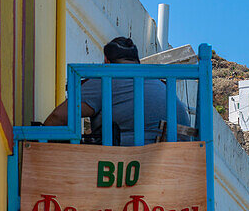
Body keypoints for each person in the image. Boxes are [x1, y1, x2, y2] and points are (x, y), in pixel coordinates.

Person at [44, 36, 190, 144]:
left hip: (133, 162)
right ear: (136, 61)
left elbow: (58, 117)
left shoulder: (106, 78)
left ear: (106, 61)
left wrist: (39, 143)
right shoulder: (158, 83)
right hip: (180, 159)